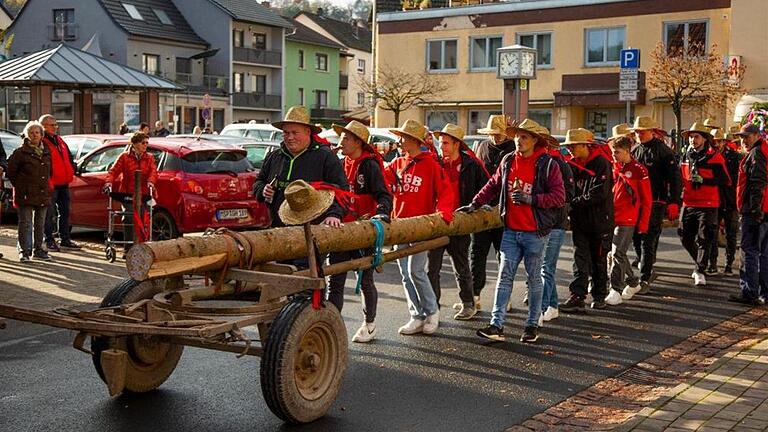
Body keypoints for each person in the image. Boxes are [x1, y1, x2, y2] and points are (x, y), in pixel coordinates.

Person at [467, 119, 565, 343]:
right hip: (511, 230)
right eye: (517, 137)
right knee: (504, 277)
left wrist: (531, 199)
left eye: (524, 137)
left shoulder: (548, 164)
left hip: (535, 232)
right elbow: (493, 184)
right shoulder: (508, 160)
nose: (518, 141)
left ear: (535, 141)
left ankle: (532, 325)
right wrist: (474, 203)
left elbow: (559, 197)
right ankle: (496, 325)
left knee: (534, 279)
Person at [384, 119, 454, 336]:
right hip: (399, 225)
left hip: (421, 226)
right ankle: (416, 315)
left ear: (414, 141)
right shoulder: (397, 163)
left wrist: (444, 214)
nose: (400, 141)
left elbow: (445, 191)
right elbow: (382, 182)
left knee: (416, 271)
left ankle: (432, 311)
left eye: (403, 138)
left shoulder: (431, 165)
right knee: (405, 273)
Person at [327, 120, 392, 343]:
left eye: (346, 138)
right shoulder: (338, 163)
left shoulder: (370, 166)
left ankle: (370, 323)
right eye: (341, 137)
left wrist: (382, 213)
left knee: (364, 278)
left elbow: (384, 195)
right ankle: (333, 324)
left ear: (358, 142)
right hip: (340, 229)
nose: (341, 141)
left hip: (363, 229)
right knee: (334, 280)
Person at [427, 123, 489, 320]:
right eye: (440, 142)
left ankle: (468, 304)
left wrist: (476, 207)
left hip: (461, 223)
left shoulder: (472, 164)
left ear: (456, 144)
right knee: (432, 269)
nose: (441, 146)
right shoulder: (436, 164)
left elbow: (487, 187)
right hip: (438, 223)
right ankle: (433, 308)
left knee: (461, 266)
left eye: (445, 143)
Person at [253, 106, 347, 228]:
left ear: (308, 132)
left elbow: (342, 189)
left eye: (295, 133)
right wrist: (263, 190)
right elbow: (258, 182)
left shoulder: (325, 156)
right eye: (286, 133)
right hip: (279, 228)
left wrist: (334, 214)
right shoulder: (274, 156)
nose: (290, 137)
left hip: (315, 229)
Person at [559, 128, 614, 312]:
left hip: (600, 221)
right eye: (568, 147)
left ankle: (599, 295)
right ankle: (578, 295)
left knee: (598, 259)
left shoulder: (602, 163)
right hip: (579, 220)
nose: (570, 150)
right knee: (580, 258)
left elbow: (600, 192)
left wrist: (573, 202)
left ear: (586, 145)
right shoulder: (571, 165)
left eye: (573, 146)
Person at [469, 114, 515, 309]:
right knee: (477, 253)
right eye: (492, 134)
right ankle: (475, 295)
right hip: (482, 208)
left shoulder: (513, 149)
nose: (495, 138)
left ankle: (506, 297)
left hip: (504, 209)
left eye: (498, 134)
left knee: (503, 254)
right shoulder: (482, 147)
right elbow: (478, 175)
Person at [630, 116, 681, 293]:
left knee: (648, 238)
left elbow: (675, 178)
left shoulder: (664, 151)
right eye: (636, 132)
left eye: (641, 132)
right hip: (638, 201)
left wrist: (674, 201)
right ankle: (644, 262)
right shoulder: (635, 150)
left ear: (651, 131)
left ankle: (645, 276)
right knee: (636, 236)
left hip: (656, 200)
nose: (639, 135)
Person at [678, 122, 730, 286]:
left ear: (705, 139)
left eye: (696, 137)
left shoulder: (715, 157)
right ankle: (701, 263)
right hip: (688, 202)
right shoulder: (686, 155)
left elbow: (725, 180)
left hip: (708, 204)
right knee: (684, 236)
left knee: (704, 238)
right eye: (691, 137)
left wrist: (705, 180)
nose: (693, 140)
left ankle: (699, 270)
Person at [605, 134, 652, 305]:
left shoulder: (639, 170)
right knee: (616, 253)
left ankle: (615, 289)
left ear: (627, 151)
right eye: (612, 152)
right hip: (613, 216)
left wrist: (643, 224)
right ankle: (633, 282)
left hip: (628, 218)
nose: (613, 155)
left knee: (617, 252)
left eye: (616, 152)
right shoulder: (614, 167)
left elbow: (647, 200)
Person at [536, 122, 574, 321]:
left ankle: (543, 308)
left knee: (546, 268)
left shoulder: (558, 164)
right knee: (543, 267)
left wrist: (546, 205)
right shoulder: (539, 162)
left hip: (555, 224)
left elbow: (567, 196)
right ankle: (551, 305)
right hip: (541, 223)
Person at [730, 123, 768, 305]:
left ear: (756, 136)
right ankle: (764, 292)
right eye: (741, 137)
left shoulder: (756, 154)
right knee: (764, 253)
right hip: (764, 209)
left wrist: (754, 209)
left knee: (749, 250)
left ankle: (749, 292)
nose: (743, 140)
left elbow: (757, 182)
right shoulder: (763, 150)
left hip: (756, 211)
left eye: (746, 137)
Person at [103, 132, 158, 247]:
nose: (145, 145)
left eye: (147, 143)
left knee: (143, 218)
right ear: (135, 144)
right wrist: (108, 182)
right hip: (127, 193)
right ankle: (128, 248)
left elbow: (153, 172)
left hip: (143, 194)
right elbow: (113, 171)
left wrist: (151, 182)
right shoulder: (124, 157)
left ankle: (141, 247)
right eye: (143, 142)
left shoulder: (149, 158)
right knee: (128, 217)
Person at [7, 121, 52, 262]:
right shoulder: (20, 152)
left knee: (40, 223)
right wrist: (21, 186)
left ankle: (39, 249)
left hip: (43, 192)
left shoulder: (46, 151)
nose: (34, 135)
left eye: (37, 132)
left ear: (41, 135)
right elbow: (11, 172)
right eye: (31, 132)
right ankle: (24, 251)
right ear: (27, 135)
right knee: (25, 223)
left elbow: (50, 171)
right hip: (25, 193)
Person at [40, 114, 80, 251]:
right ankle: (49, 239)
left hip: (63, 182)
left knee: (65, 212)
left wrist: (72, 168)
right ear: (44, 126)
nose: (56, 127)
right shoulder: (42, 141)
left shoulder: (59, 140)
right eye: (53, 125)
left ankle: (65, 238)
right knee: (49, 213)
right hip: (51, 183)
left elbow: (68, 157)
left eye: (56, 125)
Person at [708, 128, 743, 275]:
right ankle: (713, 264)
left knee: (731, 233)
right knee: (713, 233)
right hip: (715, 200)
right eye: (714, 141)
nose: (717, 144)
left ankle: (729, 264)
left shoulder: (734, 157)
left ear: (724, 142)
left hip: (730, 200)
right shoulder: (709, 156)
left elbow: (737, 179)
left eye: (719, 141)